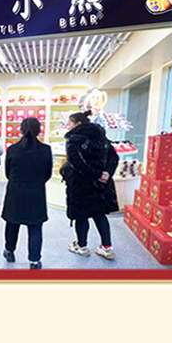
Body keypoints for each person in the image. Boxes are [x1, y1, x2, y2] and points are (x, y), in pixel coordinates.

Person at [60, 109, 120, 260]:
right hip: (101, 185)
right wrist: (106, 174)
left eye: (70, 123)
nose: (68, 126)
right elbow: (114, 157)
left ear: (78, 124)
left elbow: (76, 162)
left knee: (81, 215)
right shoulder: (101, 137)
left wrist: (96, 174)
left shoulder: (74, 140)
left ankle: (82, 246)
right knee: (99, 214)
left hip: (80, 183)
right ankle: (107, 248)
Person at [1, 118, 52, 269]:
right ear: (39, 131)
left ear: (21, 130)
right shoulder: (46, 150)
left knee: (12, 223)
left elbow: (8, 173)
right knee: (35, 226)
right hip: (36, 192)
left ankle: (9, 251)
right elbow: (47, 174)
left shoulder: (12, 149)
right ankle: (34, 261)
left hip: (15, 191)